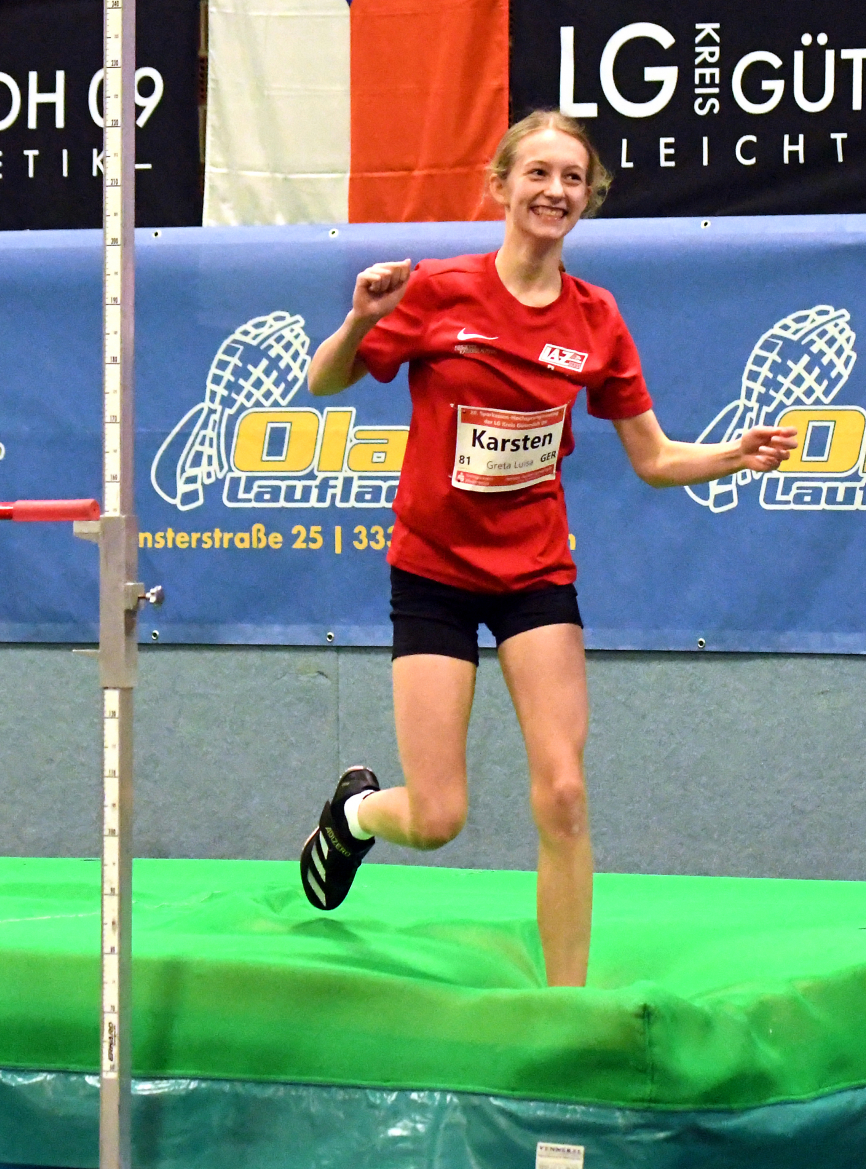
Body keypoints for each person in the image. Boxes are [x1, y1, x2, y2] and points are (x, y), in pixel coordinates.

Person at [299, 109, 795, 987]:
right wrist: (358, 320)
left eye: (573, 179)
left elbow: (652, 457)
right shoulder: (437, 292)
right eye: (538, 174)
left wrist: (729, 453)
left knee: (564, 792)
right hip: (434, 576)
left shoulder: (596, 320)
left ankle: (565, 1010)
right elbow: (323, 380)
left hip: (534, 574)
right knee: (440, 815)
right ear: (501, 185)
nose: (555, 191)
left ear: (587, 199)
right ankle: (360, 811)